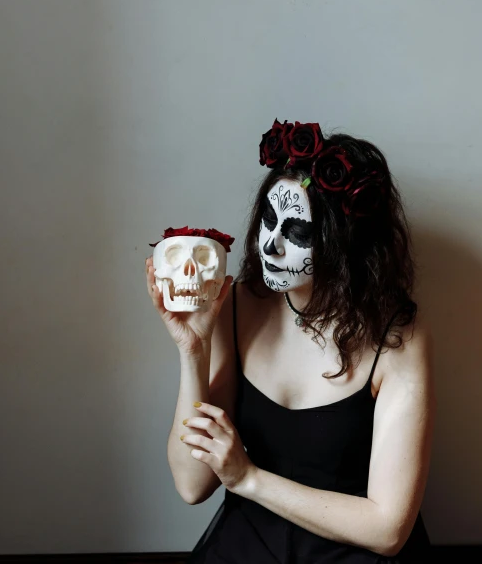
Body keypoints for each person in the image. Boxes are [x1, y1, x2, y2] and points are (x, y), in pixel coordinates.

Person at [145, 119, 436, 562]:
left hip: (352, 547)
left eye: (297, 232)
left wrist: (249, 480)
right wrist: (193, 352)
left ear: (344, 242)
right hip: (254, 539)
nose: (271, 246)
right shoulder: (239, 304)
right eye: (268, 219)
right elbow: (192, 485)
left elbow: (387, 529)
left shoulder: (397, 339)